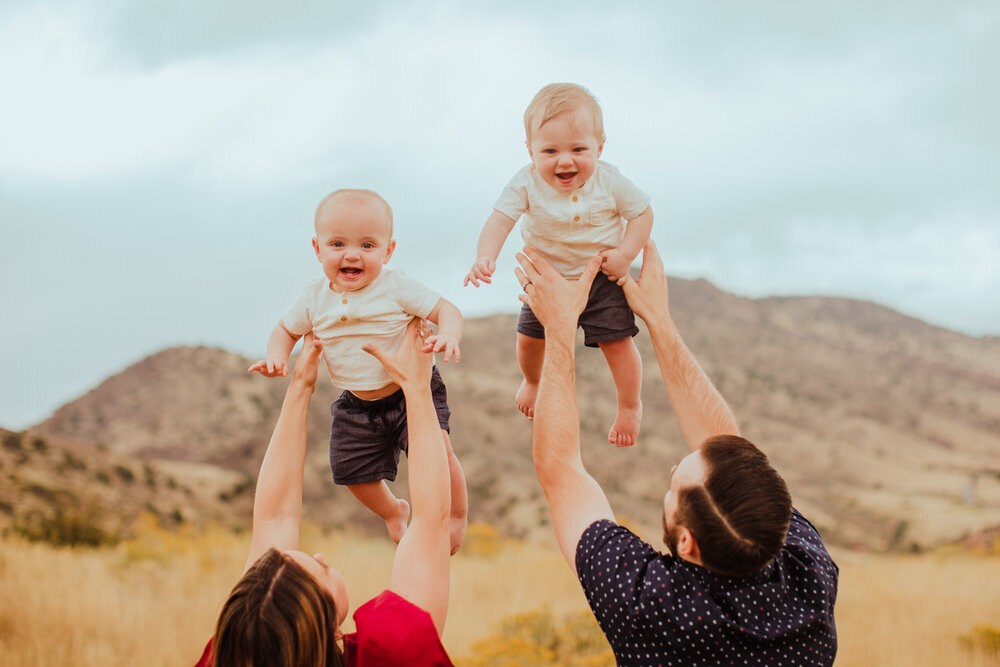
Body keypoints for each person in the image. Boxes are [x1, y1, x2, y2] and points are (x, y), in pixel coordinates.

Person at [515, 242, 839, 666]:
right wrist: (658, 318)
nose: (672, 468)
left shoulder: (654, 609)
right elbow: (727, 450)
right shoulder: (805, 576)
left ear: (686, 542)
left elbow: (561, 473)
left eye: (674, 483)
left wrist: (558, 330)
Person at [197, 324, 455, 666]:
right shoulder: (393, 653)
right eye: (320, 571)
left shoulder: (242, 651)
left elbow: (275, 520)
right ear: (325, 627)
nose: (319, 556)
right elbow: (429, 524)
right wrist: (416, 388)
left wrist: (301, 386)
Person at [250, 189, 468, 553]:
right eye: (338, 244)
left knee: (439, 454)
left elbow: (447, 309)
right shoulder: (313, 296)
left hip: (409, 391)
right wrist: (278, 357)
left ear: (388, 251)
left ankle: (456, 518)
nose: (352, 254)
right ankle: (393, 510)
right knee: (350, 472)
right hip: (356, 403)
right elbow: (285, 331)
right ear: (318, 249)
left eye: (368, 245)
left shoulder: (396, 286)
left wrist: (448, 334)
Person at [464, 82, 654, 448]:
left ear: (599, 147)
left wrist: (626, 254)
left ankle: (630, 405)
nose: (564, 161)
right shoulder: (525, 182)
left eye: (578, 149)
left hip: (600, 276)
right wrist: (485, 256)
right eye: (549, 150)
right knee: (529, 339)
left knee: (619, 344)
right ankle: (532, 381)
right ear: (530, 151)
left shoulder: (610, 181)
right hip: (547, 279)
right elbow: (499, 221)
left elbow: (642, 213)